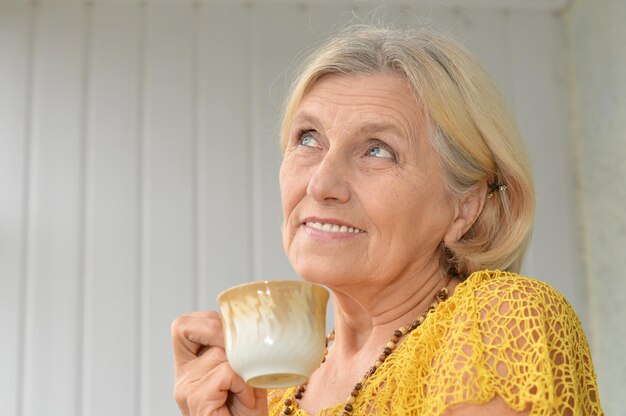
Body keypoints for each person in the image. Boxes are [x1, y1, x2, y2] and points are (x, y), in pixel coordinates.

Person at [171, 25, 603, 416]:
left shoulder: (500, 319)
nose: (321, 183)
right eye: (308, 139)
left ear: (464, 207)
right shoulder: (277, 394)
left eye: (378, 149)